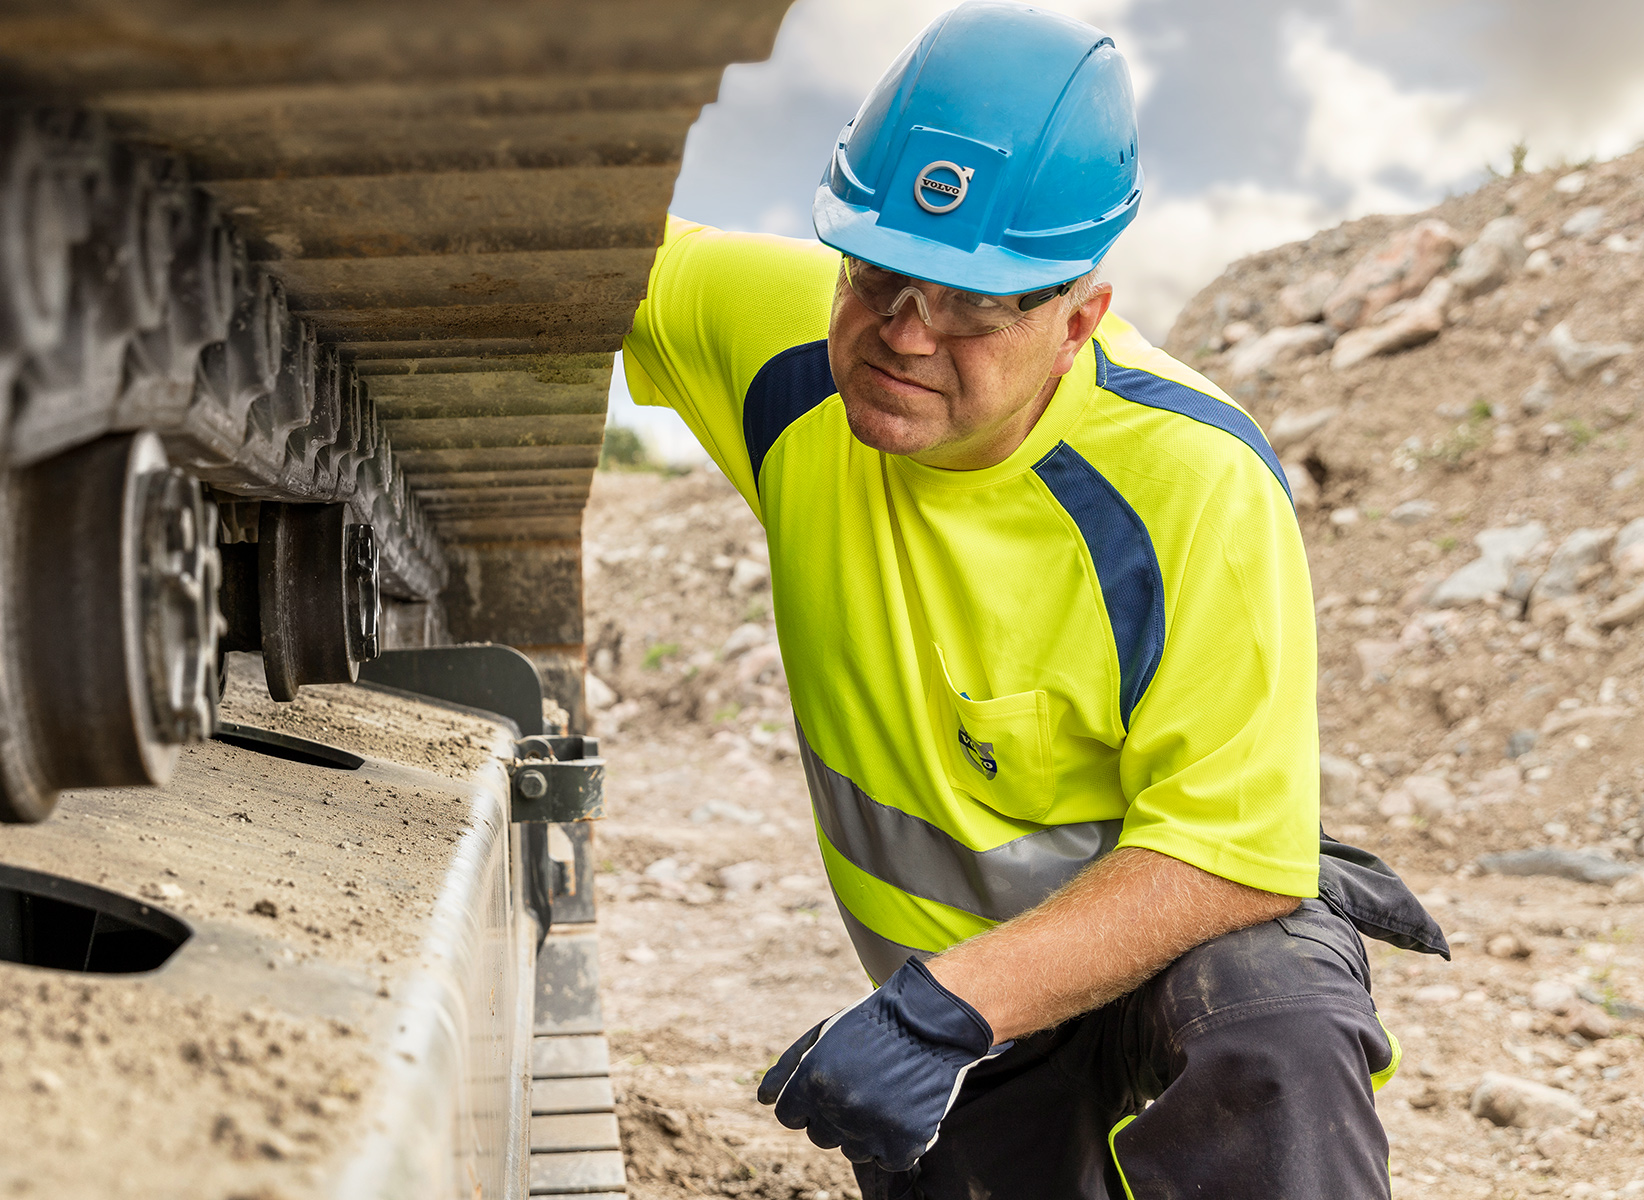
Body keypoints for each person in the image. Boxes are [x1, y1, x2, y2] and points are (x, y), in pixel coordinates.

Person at [618, 4, 1447, 1197]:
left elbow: (1235, 854)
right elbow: (581, 247)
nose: (902, 335)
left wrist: (942, 1011)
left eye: (970, 304)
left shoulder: (1186, 485)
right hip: (965, 1015)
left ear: (1076, 321)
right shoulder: (785, 352)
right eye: (879, 276)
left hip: (1139, 963)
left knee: (1269, 1020)